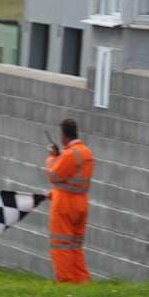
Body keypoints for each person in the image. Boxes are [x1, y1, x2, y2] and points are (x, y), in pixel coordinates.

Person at [45, 119, 94, 284]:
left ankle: (65, 281)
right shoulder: (86, 152)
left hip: (65, 205)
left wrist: (52, 157)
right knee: (75, 246)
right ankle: (81, 280)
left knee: (61, 245)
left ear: (63, 135)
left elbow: (53, 175)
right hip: (81, 204)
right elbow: (73, 180)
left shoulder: (69, 154)